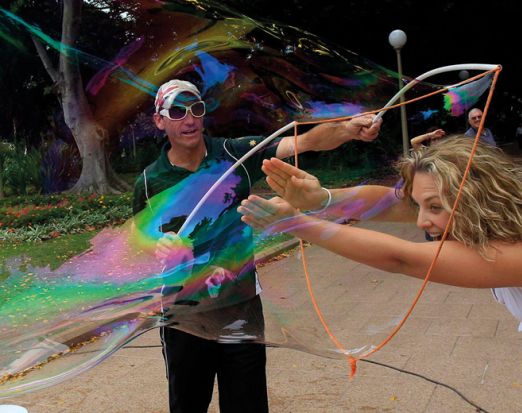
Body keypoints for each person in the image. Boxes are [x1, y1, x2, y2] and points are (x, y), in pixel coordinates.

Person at [238, 136, 522, 412]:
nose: (421, 220)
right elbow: (389, 202)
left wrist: (299, 225)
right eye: (421, 204)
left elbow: (403, 258)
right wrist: (323, 200)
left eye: (434, 207)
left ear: (475, 197)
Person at [132, 78, 382, 413]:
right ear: (160, 120)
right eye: (177, 111)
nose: (189, 119)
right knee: (188, 404)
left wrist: (348, 130)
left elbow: (302, 141)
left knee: (247, 404)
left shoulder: (235, 154)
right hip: (184, 316)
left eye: (196, 108)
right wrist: (158, 245)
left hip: (241, 308)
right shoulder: (149, 181)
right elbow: (141, 235)